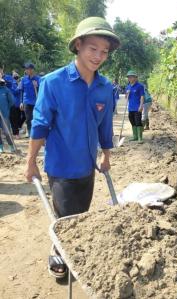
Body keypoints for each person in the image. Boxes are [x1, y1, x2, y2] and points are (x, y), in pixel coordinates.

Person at [25, 16, 120, 278]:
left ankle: (75, 251)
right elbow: (40, 124)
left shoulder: (104, 87)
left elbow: (105, 126)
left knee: (81, 215)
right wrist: (30, 160)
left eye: (105, 52)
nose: (99, 56)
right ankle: (59, 257)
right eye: (93, 48)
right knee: (65, 219)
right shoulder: (53, 83)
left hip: (87, 166)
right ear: (78, 45)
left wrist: (106, 156)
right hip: (61, 167)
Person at [18, 62, 40, 138]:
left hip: (36, 102)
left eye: (28, 69)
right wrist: (21, 102)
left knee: (35, 118)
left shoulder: (38, 79)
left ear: (32, 70)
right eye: (26, 69)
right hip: (26, 101)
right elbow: (21, 91)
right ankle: (30, 133)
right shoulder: (23, 79)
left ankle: (36, 133)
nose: (26, 70)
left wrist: (36, 86)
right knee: (28, 118)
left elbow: (41, 91)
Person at [126, 70, 145, 143]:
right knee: (132, 121)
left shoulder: (140, 86)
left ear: (135, 77)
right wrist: (127, 93)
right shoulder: (128, 86)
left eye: (131, 77)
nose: (129, 78)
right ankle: (135, 136)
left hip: (137, 107)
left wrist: (141, 106)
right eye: (128, 77)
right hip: (130, 107)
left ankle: (140, 137)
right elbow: (126, 98)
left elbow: (142, 96)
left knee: (138, 121)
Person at [0, 78, 15, 153]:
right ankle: (1, 147)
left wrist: (6, 109)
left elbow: (12, 101)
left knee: (6, 131)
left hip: (5, 114)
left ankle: (11, 146)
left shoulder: (6, 90)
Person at [9, 72, 22, 138]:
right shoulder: (12, 83)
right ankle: (16, 133)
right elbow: (14, 92)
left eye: (17, 76)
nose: (17, 77)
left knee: (20, 117)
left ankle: (17, 130)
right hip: (14, 103)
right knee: (14, 118)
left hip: (20, 103)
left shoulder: (19, 83)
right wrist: (19, 87)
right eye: (15, 76)